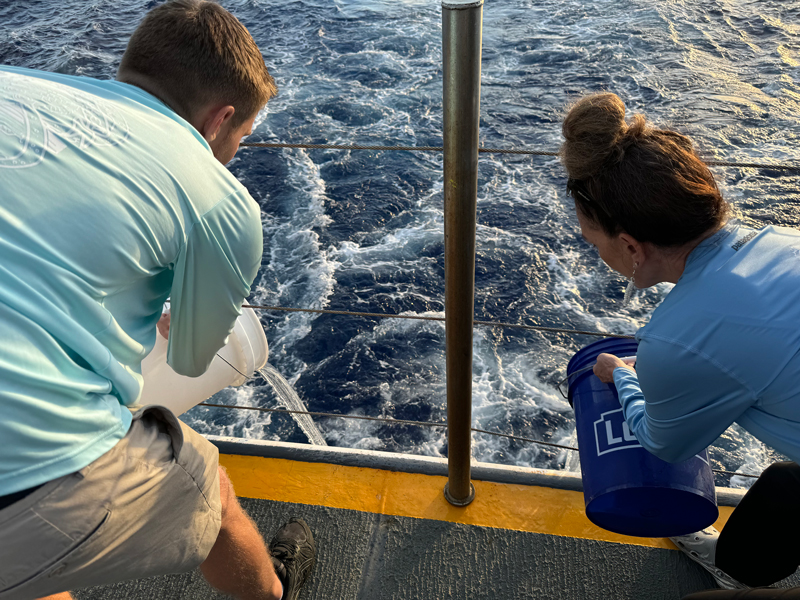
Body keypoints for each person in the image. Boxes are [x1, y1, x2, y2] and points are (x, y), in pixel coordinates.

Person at [0, 2, 316, 600]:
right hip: (19, 485)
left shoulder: (16, 85)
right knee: (208, 488)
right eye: (242, 138)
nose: (235, 155)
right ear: (220, 120)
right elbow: (193, 358)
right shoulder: (222, 200)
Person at [560, 92, 800, 598]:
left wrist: (624, 374)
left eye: (592, 240)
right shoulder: (781, 241)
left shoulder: (675, 338)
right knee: (778, 497)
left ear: (629, 246)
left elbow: (664, 442)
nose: (595, 252)